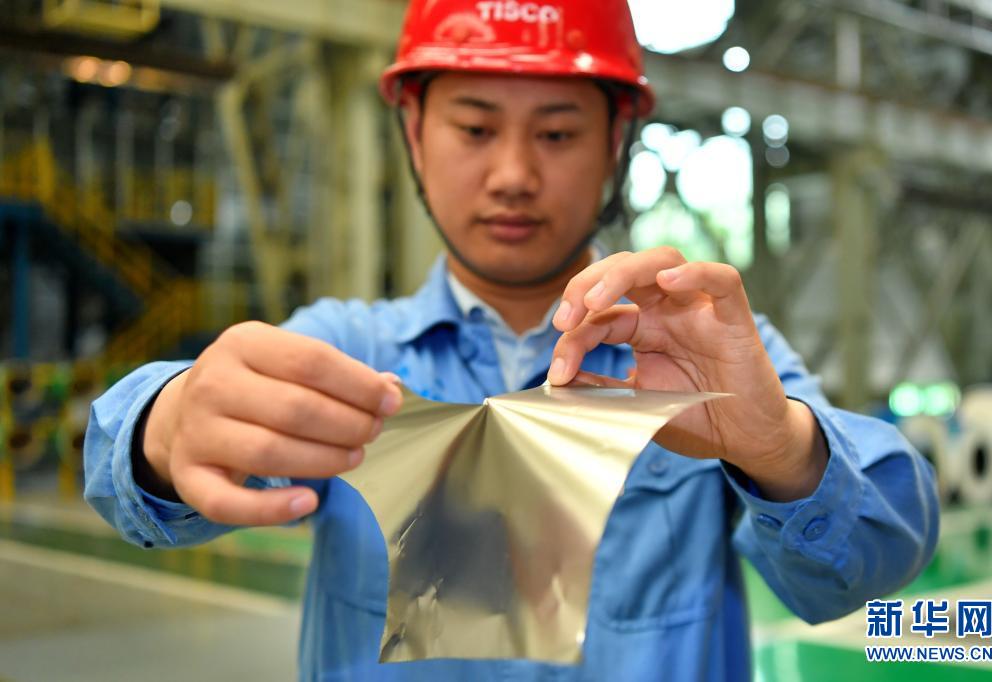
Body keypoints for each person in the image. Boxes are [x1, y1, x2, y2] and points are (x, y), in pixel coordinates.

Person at [84, 1, 940, 679]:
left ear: (615, 143)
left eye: (558, 133)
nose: (514, 175)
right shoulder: (345, 351)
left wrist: (777, 448)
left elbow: (879, 556)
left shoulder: (706, 356)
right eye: (474, 127)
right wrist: (167, 426)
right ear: (414, 133)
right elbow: (126, 473)